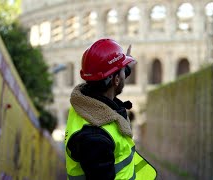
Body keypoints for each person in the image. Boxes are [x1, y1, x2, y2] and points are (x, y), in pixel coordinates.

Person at [64, 39, 157, 180]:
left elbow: (109, 76)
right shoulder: (95, 139)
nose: (124, 74)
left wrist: (125, 65)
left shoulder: (85, 101)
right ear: (116, 80)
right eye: (122, 72)